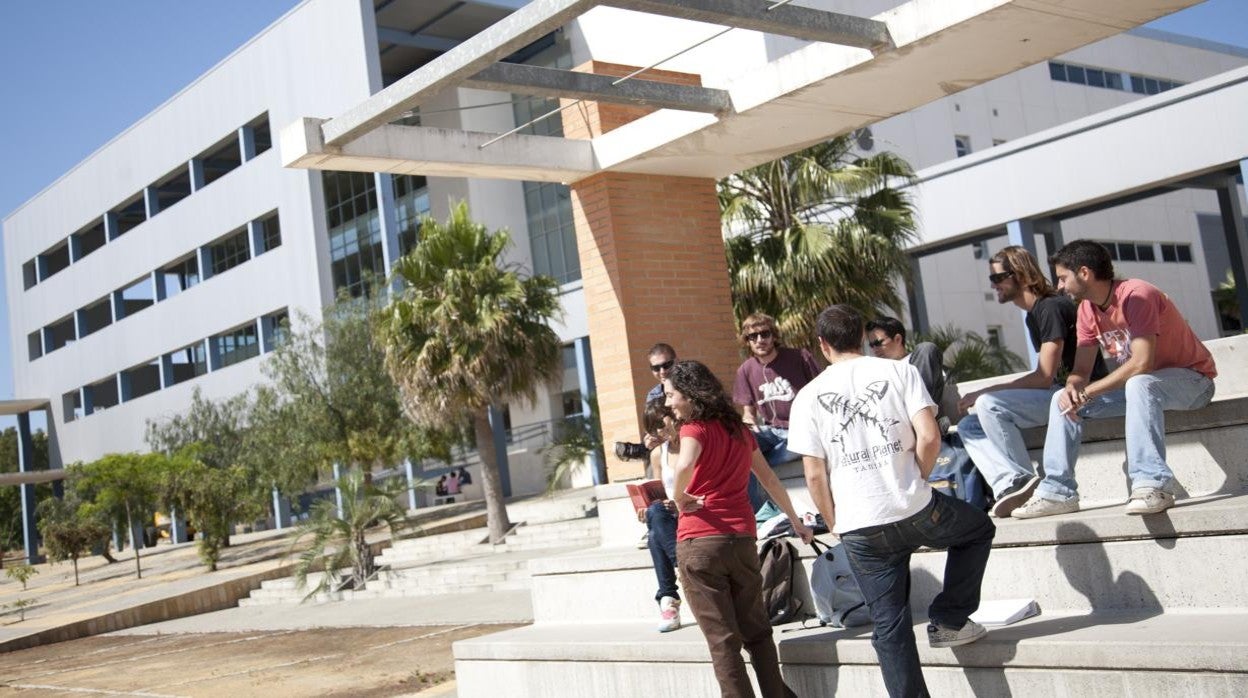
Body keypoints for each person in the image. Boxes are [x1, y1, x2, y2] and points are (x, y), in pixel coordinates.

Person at [788, 305, 996, 698]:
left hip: (859, 527)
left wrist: (835, 522)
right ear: (862, 337)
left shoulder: (808, 397)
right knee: (977, 529)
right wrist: (915, 476)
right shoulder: (899, 370)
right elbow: (930, 437)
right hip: (914, 508)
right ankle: (950, 617)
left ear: (822, 344)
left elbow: (814, 474)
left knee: (889, 628)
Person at [1012, 239, 1218, 518]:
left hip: (1193, 382)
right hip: (1144, 391)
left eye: (1062, 278)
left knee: (1139, 383)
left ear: (1084, 273)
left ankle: (1152, 485)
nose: (1059, 287)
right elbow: (1081, 371)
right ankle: (1058, 492)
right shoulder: (1087, 309)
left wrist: (1089, 391)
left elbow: (1142, 362)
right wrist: (1073, 388)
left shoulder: (1137, 295)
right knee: (1061, 399)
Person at [665, 360, 813, 698]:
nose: (668, 403)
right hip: (742, 540)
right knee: (757, 633)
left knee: (723, 643)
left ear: (690, 394)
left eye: (672, 395)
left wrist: (679, 497)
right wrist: (796, 520)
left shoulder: (693, 429)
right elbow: (770, 480)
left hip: (701, 541)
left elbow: (684, 465)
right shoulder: (740, 431)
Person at [955, 246, 1108, 517]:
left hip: (1085, 394)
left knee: (990, 404)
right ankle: (1010, 483)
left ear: (1021, 275)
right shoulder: (1033, 315)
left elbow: (1043, 376)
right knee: (969, 425)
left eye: (997, 278)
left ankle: (1024, 479)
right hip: (1056, 394)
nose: (994, 285)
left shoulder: (1049, 307)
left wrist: (983, 391)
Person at [732, 313, 821, 509]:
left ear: (774, 335)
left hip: (801, 430)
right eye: (752, 337)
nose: (759, 340)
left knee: (754, 460)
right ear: (747, 341)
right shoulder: (745, 370)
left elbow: (822, 393)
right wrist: (748, 424)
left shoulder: (800, 357)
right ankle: (756, 513)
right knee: (740, 446)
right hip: (771, 433)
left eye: (764, 334)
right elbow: (748, 412)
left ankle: (761, 462)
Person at [865, 316, 956, 432]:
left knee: (926, 348)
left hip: (922, 421)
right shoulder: (875, 370)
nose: (874, 349)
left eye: (878, 343)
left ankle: (921, 425)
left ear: (897, 339)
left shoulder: (921, 360)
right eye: (871, 345)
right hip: (893, 426)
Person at [639, 398, 682, 632]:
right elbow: (658, 492)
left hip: (694, 509)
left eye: (662, 422)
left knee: (655, 535)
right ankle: (682, 565)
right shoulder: (658, 454)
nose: (659, 430)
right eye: (653, 426)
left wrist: (680, 502)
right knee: (654, 513)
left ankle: (668, 599)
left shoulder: (692, 443)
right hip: (672, 518)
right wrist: (645, 507)